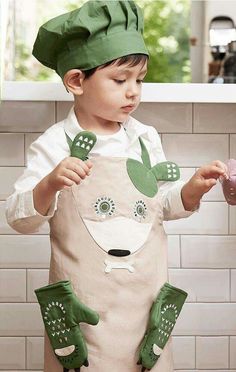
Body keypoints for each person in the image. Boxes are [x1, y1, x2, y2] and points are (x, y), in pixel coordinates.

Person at [5, 1, 228, 371]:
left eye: (139, 80)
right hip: (84, 309)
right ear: (77, 81)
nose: (133, 92)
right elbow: (19, 216)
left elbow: (162, 206)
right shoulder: (56, 143)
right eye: (120, 80)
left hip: (144, 309)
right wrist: (49, 184)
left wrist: (192, 189)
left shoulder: (144, 138)